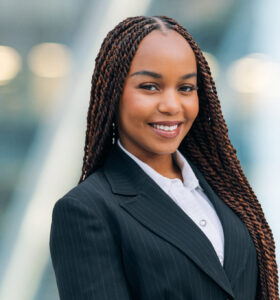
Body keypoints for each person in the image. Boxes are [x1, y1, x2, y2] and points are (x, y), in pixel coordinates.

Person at [49, 16, 279, 300]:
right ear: (113, 93)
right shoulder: (86, 211)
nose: (171, 105)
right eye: (150, 87)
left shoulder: (225, 190)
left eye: (185, 88)